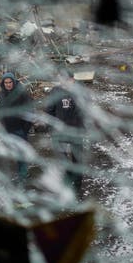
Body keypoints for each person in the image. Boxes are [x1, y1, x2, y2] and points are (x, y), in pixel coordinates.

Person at [43, 70, 86, 198]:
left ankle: (77, 185)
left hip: (76, 131)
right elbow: (49, 110)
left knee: (77, 158)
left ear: (73, 79)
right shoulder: (55, 91)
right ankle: (68, 178)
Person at [0, 72, 33, 181]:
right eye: (6, 82)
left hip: (20, 129)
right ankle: (21, 173)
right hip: (8, 129)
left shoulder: (21, 93)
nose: (8, 84)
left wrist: (26, 128)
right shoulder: (2, 94)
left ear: (14, 82)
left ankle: (23, 174)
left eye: (10, 82)